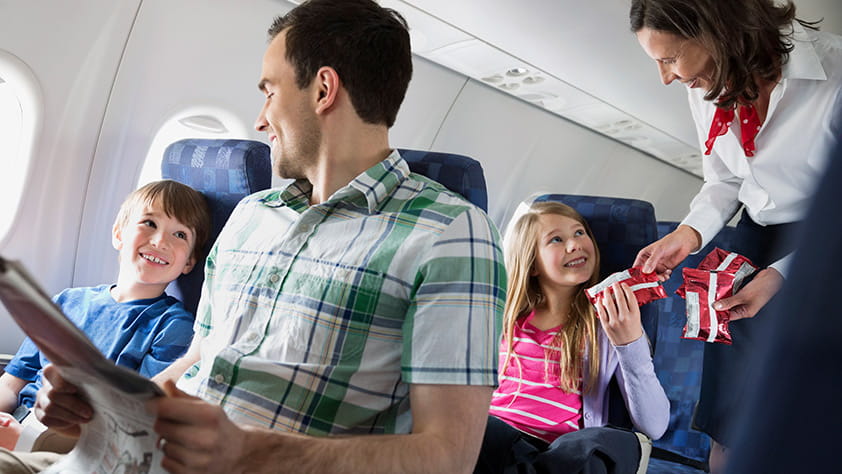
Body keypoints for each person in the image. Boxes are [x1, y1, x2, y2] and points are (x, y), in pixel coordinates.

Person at [4, 0, 506, 472]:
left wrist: (249, 452)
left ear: (323, 90)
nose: (260, 118)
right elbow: (197, 363)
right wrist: (102, 410)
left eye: (270, 91)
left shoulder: (452, 234)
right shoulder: (251, 215)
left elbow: (448, 456)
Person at [629, 0, 842, 471]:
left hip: (825, 244)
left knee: (798, 403)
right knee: (726, 405)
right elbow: (724, 181)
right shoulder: (705, 84)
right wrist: (687, 234)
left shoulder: (835, 75)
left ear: (715, 30)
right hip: (755, 233)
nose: (666, 77)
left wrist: (783, 276)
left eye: (670, 58)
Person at [0, 179, 210, 450]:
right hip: (16, 426)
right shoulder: (67, 301)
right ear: (119, 234)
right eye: (149, 223)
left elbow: (134, 424)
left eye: (180, 235)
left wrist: (24, 440)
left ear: (190, 262)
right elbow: (12, 383)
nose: (160, 241)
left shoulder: (172, 328)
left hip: (65, 446)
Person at [474, 201, 669, 474]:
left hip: (560, 453)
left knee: (593, 444)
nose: (574, 244)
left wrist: (630, 344)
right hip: (500, 441)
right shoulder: (503, 319)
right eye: (556, 239)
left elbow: (655, 425)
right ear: (532, 264)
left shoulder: (606, 323)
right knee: (478, 427)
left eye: (579, 233)